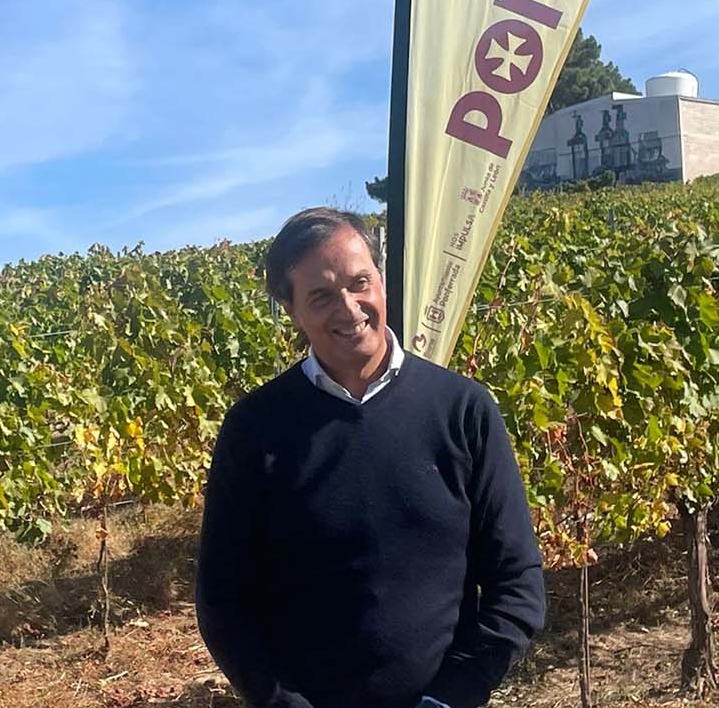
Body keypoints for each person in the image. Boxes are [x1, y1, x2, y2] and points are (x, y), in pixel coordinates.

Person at [195, 207, 545, 708]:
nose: (349, 306)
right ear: (291, 311)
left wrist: (452, 695)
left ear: (382, 281)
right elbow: (223, 601)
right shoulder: (255, 428)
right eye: (320, 295)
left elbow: (518, 583)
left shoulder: (462, 410)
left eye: (361, 282)